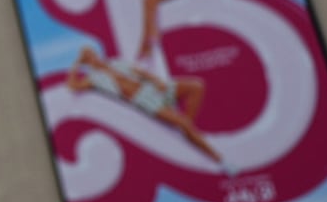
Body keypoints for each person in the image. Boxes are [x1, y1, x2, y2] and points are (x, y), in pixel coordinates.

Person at [65, 44, 230, 174]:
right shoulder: (93, 78)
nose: (93, 58)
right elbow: (72, 86)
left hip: (151, 87)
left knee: (196, 86)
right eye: (88, 58)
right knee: (183, 123)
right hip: (143, 99)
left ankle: (188, 132)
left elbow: (140, 71)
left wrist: (158, 81)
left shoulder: (116, 62)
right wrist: (77, 63)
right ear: (86, 63)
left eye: (93, 53)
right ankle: (220, 159)